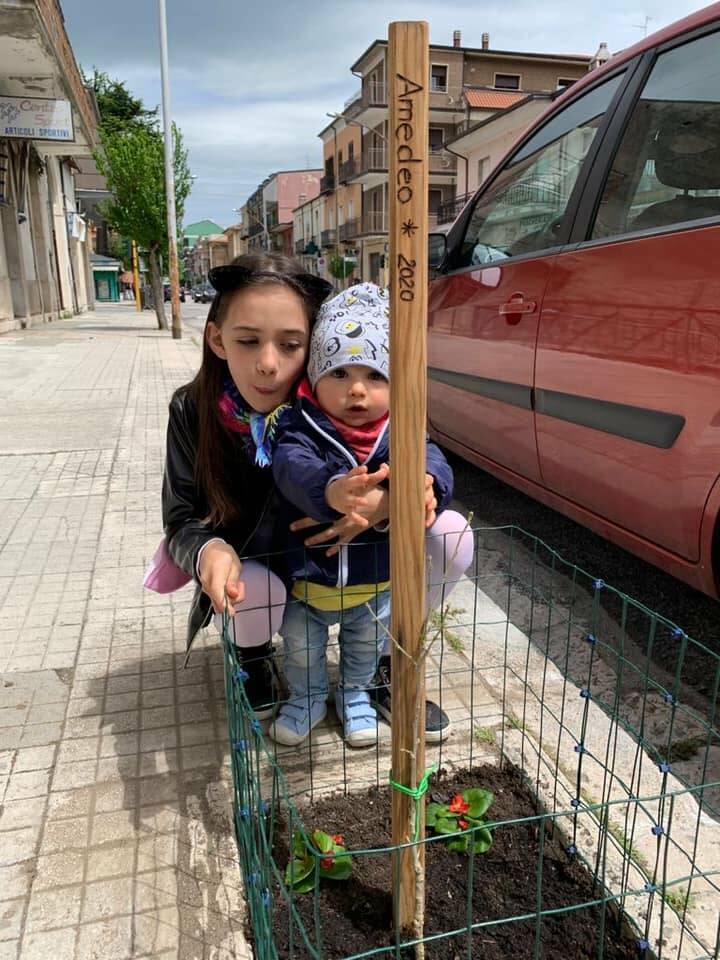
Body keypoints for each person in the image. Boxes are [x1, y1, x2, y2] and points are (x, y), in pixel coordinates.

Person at [160, 253, 474, 733]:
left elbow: (422, 456)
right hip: (268, 563)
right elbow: (181, 516)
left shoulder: (345, 395)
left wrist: (386, 503)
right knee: (254, 590)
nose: (268, 364)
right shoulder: (192, 409)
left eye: (290, 345)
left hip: (363, 565)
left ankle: (391, 661)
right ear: (217, 339)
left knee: (451, 535)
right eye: (248, 341)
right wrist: (209, 550)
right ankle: (254, 653)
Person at [268, 284, 455, 748]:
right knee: (301, 649)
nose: (357, 389)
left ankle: (355, 696)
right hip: (307, 578)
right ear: (313, 379)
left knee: (364, 645)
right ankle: (307, 696)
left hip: (374, 577)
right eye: (340, 373)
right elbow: (291, 467)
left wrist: (426, 485)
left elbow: (433, 458)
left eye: (375, 375)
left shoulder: (401, 428)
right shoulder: (300, 426)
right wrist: (329, 490)